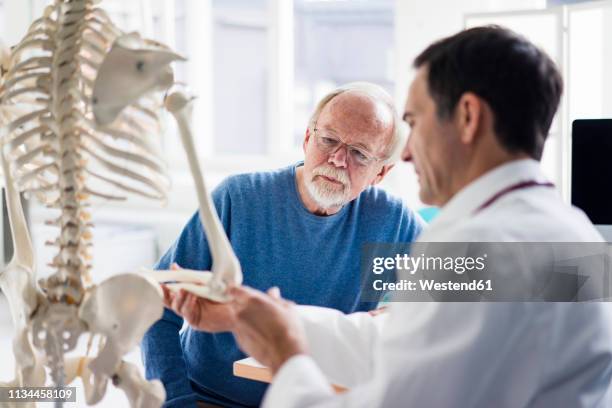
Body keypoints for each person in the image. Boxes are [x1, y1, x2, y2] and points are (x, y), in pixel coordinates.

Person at [167, 26, 612, 407]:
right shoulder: (567, 236)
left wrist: (286, 358)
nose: (408, 152)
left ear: (468, 117)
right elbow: (399, 342)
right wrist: (263, 316)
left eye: (414, 123)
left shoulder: (485, 242)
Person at [141, 82, 424, 407]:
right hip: (211, 398)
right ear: (307, 139)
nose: (337, 160)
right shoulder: (239, 199)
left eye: (359, 154)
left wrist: (403, 313)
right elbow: (156, 308)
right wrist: (176, 401)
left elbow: (478, 281)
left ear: (381, 172)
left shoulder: (392, 221)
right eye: (328, 140)